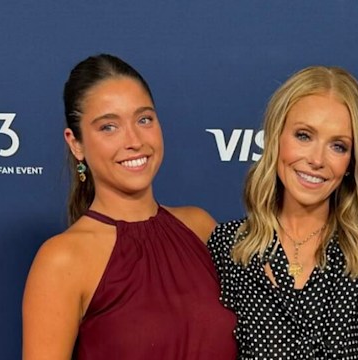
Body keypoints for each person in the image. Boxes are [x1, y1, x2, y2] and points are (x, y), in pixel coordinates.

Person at [22, 54, 236, 359]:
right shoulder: (62, 260)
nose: (134, 140)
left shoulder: (200, 227)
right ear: (76, 143)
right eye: (109, 127)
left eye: (144, 119)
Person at [208, 66, 358, 359]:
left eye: (338, 146)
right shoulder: (229, 246)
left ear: (351, 161)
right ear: (276, 138)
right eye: (303, 135)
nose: (316, 160)